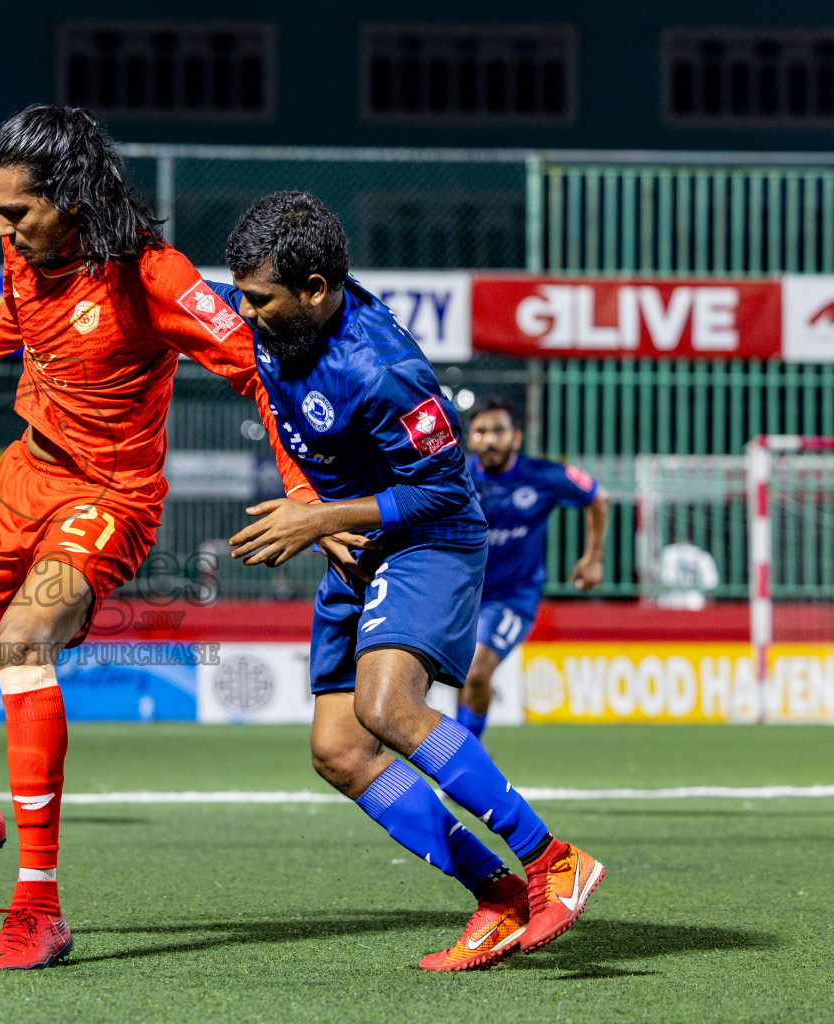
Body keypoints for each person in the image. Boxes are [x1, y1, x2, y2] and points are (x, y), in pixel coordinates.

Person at [0, 105, 317, 971]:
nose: (2, 228)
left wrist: (303, 494)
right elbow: (11, 321)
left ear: (73, 198)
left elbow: (257, 368)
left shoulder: (156, 278)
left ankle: (37, 905)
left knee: (25, 639)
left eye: (16, 212)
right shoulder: (26, 252)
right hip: (20, 479)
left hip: (109, 498)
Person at [215, 191, 604, 972]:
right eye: (241, 295)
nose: (245, 312)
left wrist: (319, 518)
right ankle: (498, 897)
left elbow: (446, 493)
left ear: (316, 290)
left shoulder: (384, 368)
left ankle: (552, 858)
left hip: (429, 540)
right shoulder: (266, 320)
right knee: (337, 750)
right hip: (355, 543)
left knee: (386, 707)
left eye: (260, 299)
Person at [460, 398, 609, 736]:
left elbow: (598, 496)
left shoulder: (541, 476)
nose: (490, 439)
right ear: (471, 438)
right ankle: (466, 745)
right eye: (481, 431)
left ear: (517, 437)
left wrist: (593, 558)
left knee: (477, 673)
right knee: (461, 676)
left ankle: (464, 759)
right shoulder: (457, 475)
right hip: (461, 594)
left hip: (513, 596)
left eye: (499, 430)